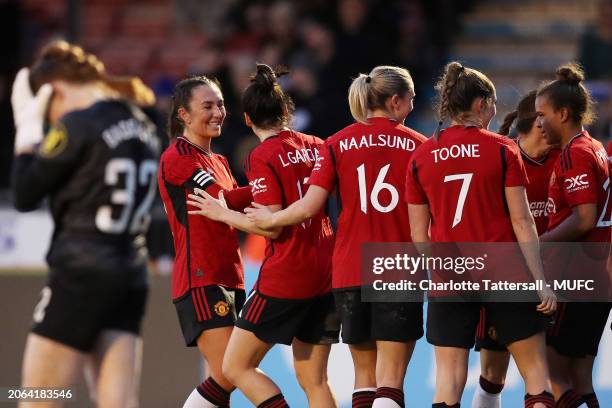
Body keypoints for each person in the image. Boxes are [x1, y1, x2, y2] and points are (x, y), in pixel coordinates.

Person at [247, 65, 427, 408]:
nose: (414, 107)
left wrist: (271, 218)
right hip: (397, 266)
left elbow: (308, 207)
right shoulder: (419, 146)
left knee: (365, 378)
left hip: (349, 270)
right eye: (411, 99)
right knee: (391, 380)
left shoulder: (336, 143)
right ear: (395, 101)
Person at [11, 40, 159, 408]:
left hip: (80, 272)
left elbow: (25, 194)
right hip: (130, 274)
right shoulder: (141, 124)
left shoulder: (79, 123)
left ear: (54, 92)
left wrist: (28, 131)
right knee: (118, 403)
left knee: (39, 398)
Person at [405, 61, 556, 408]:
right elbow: (522, 221)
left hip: (450, 276)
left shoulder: (421, 156)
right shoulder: (504, 149)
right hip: (505, 271)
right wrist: (539, 280)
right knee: (535, 377)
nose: (493, 110)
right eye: (492, 102)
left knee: (448, 384)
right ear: (479, 104)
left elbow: (418, 234)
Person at [187, 63, 338, 408]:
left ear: (247, 119)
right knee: (314, 380)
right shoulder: (318, 144)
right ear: (286, 110)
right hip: (327, 271)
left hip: (288, 273)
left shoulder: (262, 155)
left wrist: (222, 214)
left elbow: (272, 223)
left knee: (236, 366)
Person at [158, 75, 252, 408]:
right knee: (232, 371)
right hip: (202, 278)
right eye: (207, 106)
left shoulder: (220, 161)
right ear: (183, 115)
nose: (218, 112)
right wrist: (271, 184)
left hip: (230, 275)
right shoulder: (178, 156)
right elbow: (222, 199)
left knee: (223, 380)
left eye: (221, 104)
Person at [471, 90, 561, 408]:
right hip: (506, 279)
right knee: (493, 376)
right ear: (539, 121)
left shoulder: (567, 159)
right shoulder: (504, 158)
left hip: (555, 281)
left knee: (555, 375)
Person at [536, 63, 612, 408]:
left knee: (545, 365)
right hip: (598, 277)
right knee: (581, 377)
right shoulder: (594, 146)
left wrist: (539, 244)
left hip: (576, 275)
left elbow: (584, 219)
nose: (539, 123)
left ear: (563, 113)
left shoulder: (575, 154)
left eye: (543, 114)